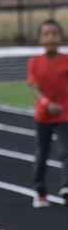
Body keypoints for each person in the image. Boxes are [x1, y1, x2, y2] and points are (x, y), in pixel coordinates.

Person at [27, 18, 68, 208]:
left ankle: (66, 186)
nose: (51, 38)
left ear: (61, 38)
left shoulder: (66, 62)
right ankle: (40, 191)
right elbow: (34, 88)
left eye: (55, 34)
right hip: (43, 116)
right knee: (41, 155)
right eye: (47, 34)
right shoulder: (35, 63)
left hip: (64, 116)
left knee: (66, 152)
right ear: (40, 39)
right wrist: (46, 103)